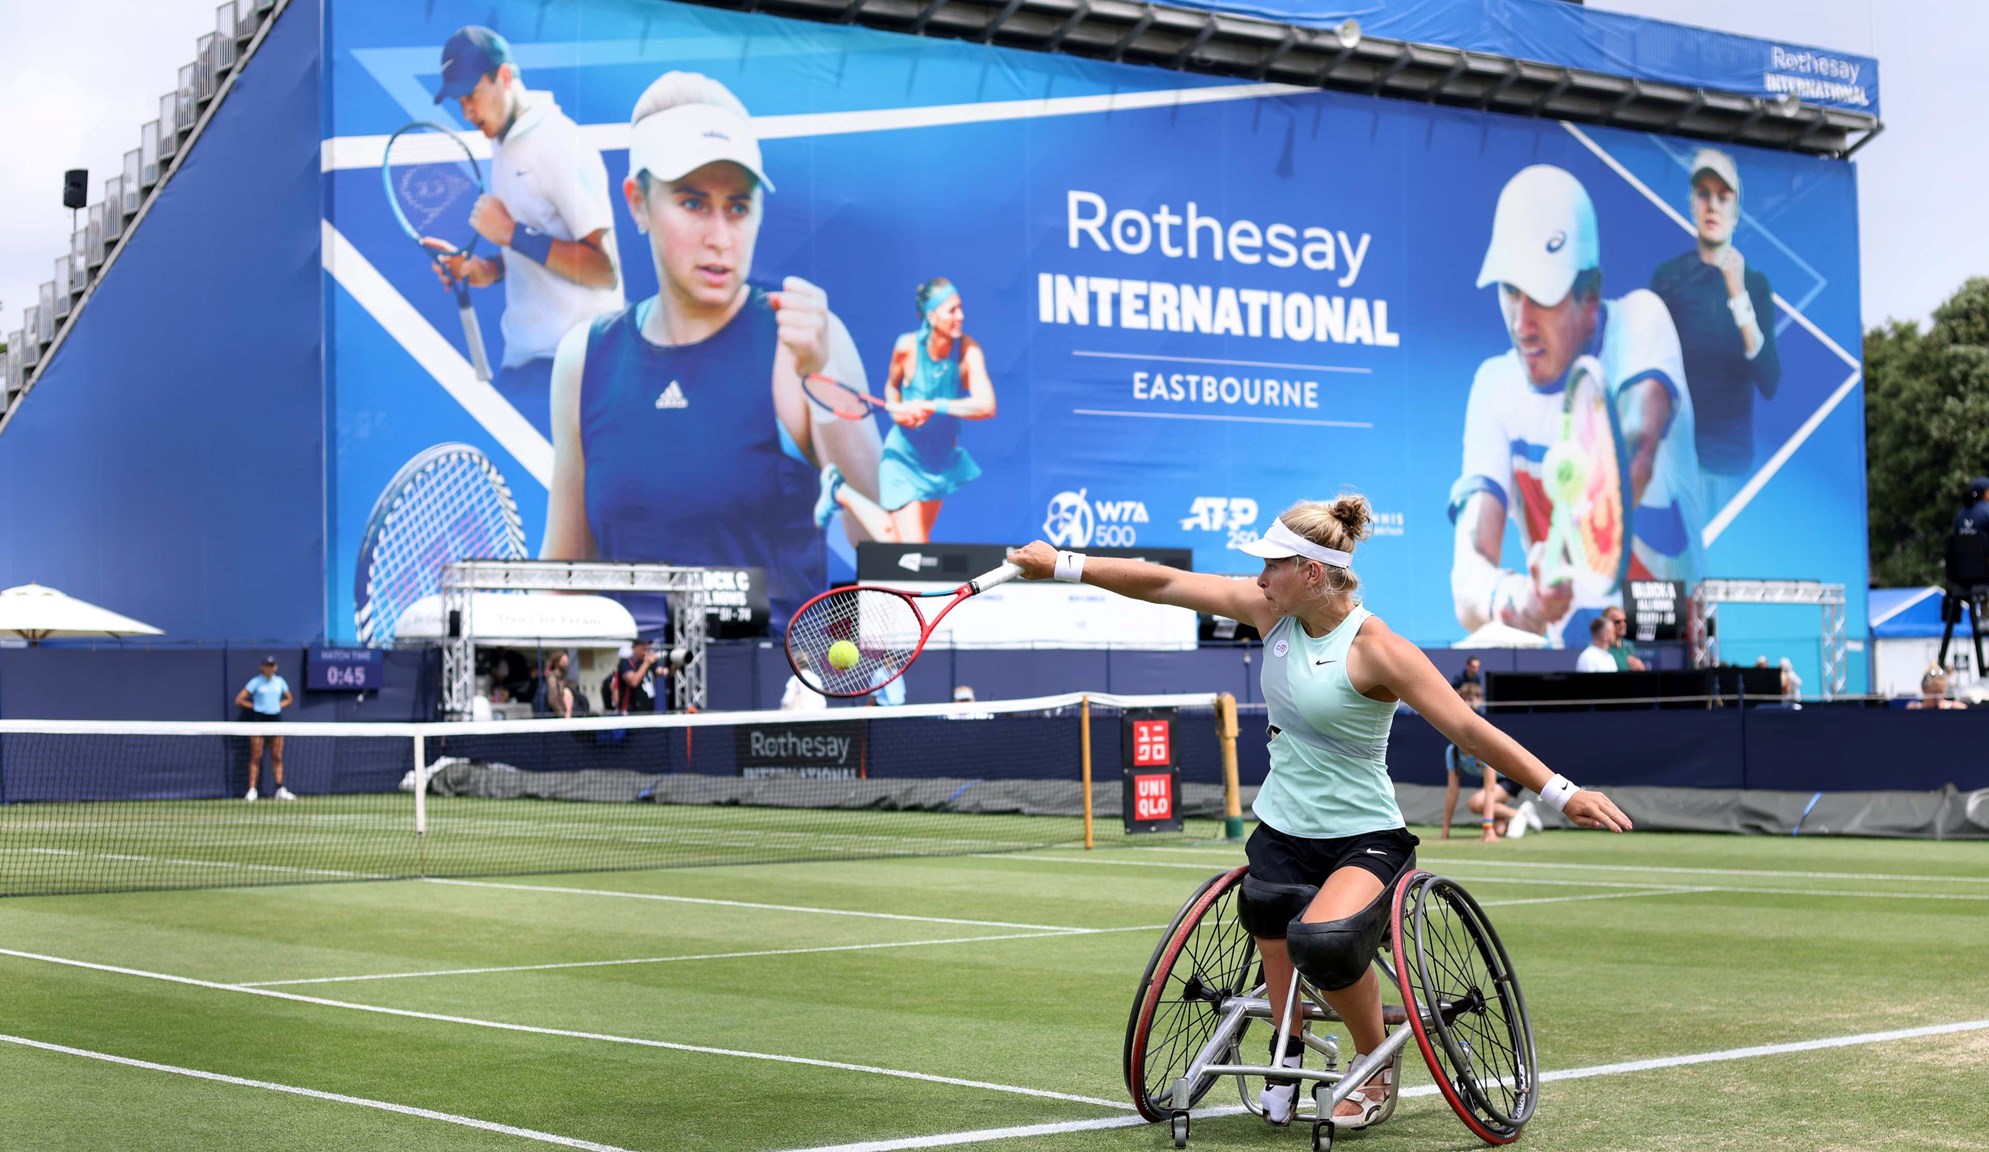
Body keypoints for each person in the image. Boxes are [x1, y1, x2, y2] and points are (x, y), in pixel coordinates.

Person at [1004, 493, 1629, 1129]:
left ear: (1311, 573)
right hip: (1281, 826)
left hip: (1364, 838)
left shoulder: (1378, 649)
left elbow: (1468, 731)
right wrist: (1062, 564)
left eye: (1272, 564)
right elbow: (1166, 582)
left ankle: (1373, 1063)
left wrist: (1561, 792)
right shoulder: (1269, 612)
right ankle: (1288, 1050)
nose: (1259, 577)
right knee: (1267, 907)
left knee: (1324, 941)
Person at [539, 72, 884, 632]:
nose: (721, 236)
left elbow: (883, 542)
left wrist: (822, 381)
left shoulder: (799, 340)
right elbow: (562, 573)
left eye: (739, 207)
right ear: (638, 204)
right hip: (628, 708)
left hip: (774, 708)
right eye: (694, 203)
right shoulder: (586, 358)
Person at [1450, 165, 1704, 648]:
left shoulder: (1640, 322)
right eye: (1510, 291)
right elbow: (1467, 578)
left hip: (1672, 644)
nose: (1521, 322)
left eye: (1542, 296)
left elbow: (1634, 451)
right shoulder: (1493, 385)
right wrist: (1520, 598)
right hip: (1576, 666)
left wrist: (1562, 550)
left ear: (1591, 296)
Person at [426, 26, 624, 430]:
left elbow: (604, 270)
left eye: (471, 95)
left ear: (504, 78)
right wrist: (485, 269)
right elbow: (538, 242)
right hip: (526, 365)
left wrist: (512, 234)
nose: (466, 112)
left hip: (580, 368)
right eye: (458, 100)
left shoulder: (559, 142)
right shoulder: (503, 143)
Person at [821, 278, 996, 545]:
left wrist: (930, 405)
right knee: (918, 551)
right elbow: (892, 388)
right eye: (952, 310)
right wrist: (898, 413)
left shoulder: (968, 350)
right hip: (903, 458)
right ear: (931, 315)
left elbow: (986, 406)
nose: (960, 316)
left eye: (961, 308)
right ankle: (840, 491)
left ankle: (840, 491)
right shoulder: (907, 347)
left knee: (897, 544)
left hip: (938, 461)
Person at [1650, 149, 1780, 489]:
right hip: (1674, 467)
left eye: (1723, 198)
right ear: (1691, 203)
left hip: (1730, 470)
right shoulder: (1668, 278)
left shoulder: (1755, 285)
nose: (1712, 206)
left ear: (1736, 212)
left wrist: (1738, 298)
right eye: (1704, 194)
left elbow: (1769, 381)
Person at [1440, 682, 1540, 842]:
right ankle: (1520, 812)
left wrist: (1487, 829)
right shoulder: (1452, 752)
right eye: (1464, 699)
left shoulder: (1482, 744)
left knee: (1475, 803)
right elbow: (1453, 791)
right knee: (1500, 830)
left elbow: (1490, 789)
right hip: (1491, 786)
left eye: (1472, 699)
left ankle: (1517, 814)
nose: (1468, 703)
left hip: (1510, 779)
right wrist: (1445, 828)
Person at [234, 658, 295, 801]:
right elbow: (239, 700)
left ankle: (280, 789)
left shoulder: (280, 682)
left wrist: (278, 706)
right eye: (267, 665)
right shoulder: (255, 682)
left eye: (271, 665)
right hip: (259, 720)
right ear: (262, 667)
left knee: (277, 756)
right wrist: (256, 707)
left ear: (275, 667)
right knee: (256, 756)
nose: (269, 668)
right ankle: (252, 790)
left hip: (275, 720)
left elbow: (289, 698)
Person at [614, 639, 668, 714]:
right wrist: (646, 663)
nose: (646, 648)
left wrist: (675, 662)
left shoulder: (648, 664)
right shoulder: (626, 663)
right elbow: (633, 681)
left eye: (647, 645)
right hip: (632, 713)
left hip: (648, 711)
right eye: (643, 646)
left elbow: (665, 672)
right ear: (635, 647)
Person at [1603, 605, 1646, 671]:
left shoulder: (1628, 645)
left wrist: (1641, 668)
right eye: (1617, 621)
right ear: (1607, 624)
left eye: (1624, 621)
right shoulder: (1601, 648)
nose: (1623, 625)